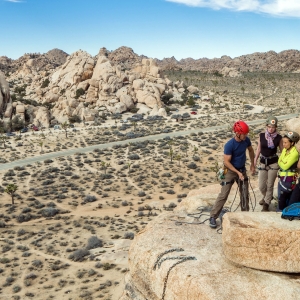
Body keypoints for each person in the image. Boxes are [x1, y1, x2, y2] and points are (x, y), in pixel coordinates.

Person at [209, 120, 255, 228]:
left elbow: (251, 150)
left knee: (244, 193)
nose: (246, 135)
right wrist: (238, 173)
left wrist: (252, 164)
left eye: (246, 133)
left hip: (241, 169)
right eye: (244, 134)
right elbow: (226, 162)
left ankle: (245, 215)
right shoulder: (230, 145)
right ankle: (213, 216)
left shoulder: (246, 140)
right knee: (224, 194)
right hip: (230, 170)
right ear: (237, 133)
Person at [254, 116, 283, 212]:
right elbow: (259, 148)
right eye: (269, 126)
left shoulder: (279, 138)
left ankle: (266, 204)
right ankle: (267, 197)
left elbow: (282, 151)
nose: (271, 129)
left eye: (273, 127)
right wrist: (255, 159)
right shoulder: (262, 135)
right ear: (267, 126)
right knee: (262, 186)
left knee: (270, 185)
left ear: (276, 127)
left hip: (273, 163)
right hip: (263, 162)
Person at [277, 131, 300, 211]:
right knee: (281, 198)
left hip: (289, 179)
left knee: (283, 199)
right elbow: (279, 161)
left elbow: (284, 166)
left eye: (286, 143)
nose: (283, 144)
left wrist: (282, 162)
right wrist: (282, 162)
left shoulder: (294, 153)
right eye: (283, 142)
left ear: (292, 143)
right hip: (282, 178)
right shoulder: (285, 150)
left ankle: (282, 212)